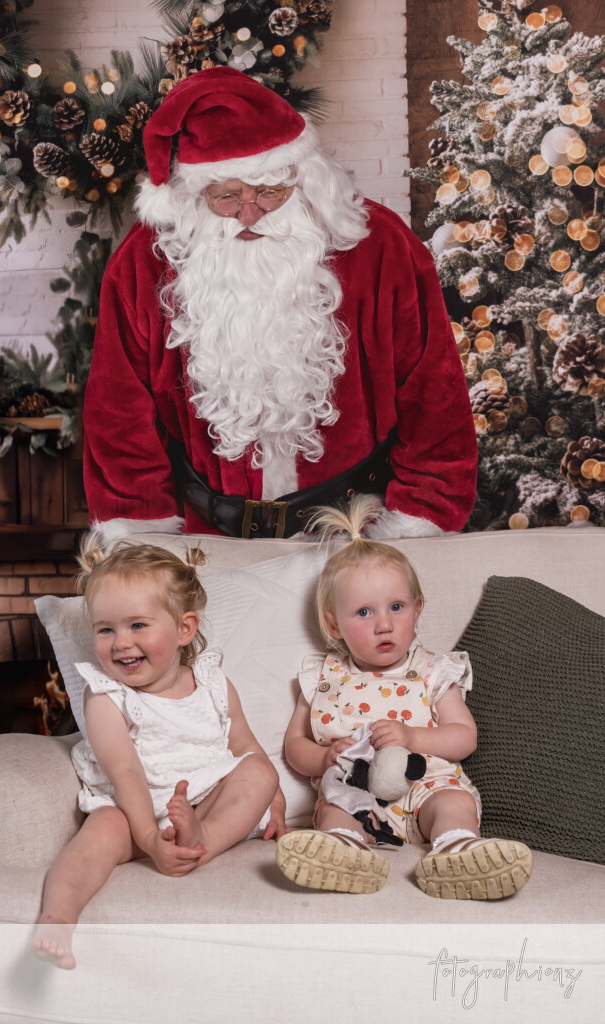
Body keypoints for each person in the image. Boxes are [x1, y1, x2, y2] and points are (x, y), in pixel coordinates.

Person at [83, 66, 477, 548]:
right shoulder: (143, 264)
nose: (250, 214)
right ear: (192, 196)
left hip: (357, 537)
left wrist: (417, 517)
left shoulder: (383, 247)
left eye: (270, 191)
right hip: (208, 543)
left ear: (305, 180)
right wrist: (140, 534)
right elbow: (119, 415)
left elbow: (435, 399)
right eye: (226, 195)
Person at [32, 535, 285, 969]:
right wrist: (149, 837)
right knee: (97, 836)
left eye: (137, 626)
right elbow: (126, 771)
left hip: (205, 801)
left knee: (260, 773)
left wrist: (273, 801)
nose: (120, 642)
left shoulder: (212, 683)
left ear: (185, 629)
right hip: (133, 809)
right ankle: (58, 917)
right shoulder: (107, 697)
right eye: (106, 629)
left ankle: (202, 841)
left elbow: (246, 749)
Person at [276, 496, 533, 899]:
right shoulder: (322, 676)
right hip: (356, 792)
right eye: (364, 612)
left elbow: (464, 736)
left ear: (417, 609)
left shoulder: (433, 670)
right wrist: (323, 757)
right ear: (334, 624)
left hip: (426, 785)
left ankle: (457, 849)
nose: (384, 624)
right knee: (334, 811)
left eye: (396, 607)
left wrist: (413, 737)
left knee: (452, 803)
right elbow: (294, 745)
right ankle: (344, 849)